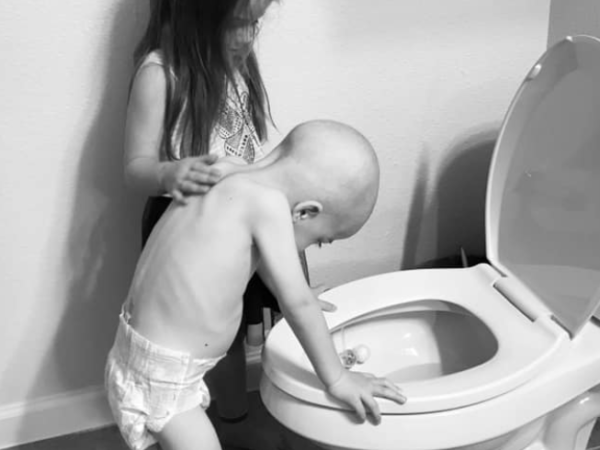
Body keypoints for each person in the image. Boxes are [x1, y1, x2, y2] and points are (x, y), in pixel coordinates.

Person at [105, 120, 407, 450]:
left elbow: (257, 260)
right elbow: (298, 304)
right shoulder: (269, 205)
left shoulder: (225, 169)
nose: (313, 246)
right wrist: (338, 379)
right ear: (305, 213)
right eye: (321, 240)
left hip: (134, 354)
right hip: (167, 382)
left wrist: (295, 291)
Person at [123, 0, 289, 424]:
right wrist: (168, 172)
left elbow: (246, 147)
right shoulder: (160, 74)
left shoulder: (237, 62)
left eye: (255, 24)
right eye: (236, 24)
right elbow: (135, 169)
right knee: (209, 334)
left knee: (238, 324)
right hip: (189, 233)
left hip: (239, 223)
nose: (248, 38)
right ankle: (208, 421)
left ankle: (239, 416)